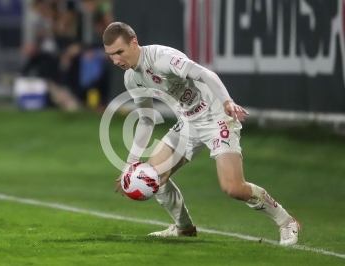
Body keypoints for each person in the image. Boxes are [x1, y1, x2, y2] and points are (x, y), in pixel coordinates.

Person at [102, 22, 301, 246]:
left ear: (134, 43)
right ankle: (184, 228)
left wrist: (227, 101)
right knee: (153, 176)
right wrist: (130, 163)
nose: (116, 60)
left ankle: (287, 222)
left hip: (216, 116)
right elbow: (147, 119)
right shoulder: (131, 77)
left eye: (120, 52)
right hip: (188, 122)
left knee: (233, 187)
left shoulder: (161, 58)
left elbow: (205, 74)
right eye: (111, 55)